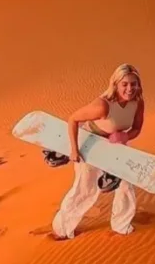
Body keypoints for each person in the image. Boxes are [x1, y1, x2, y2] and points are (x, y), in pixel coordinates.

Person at [49, 63, 145, 240]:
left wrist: (125, 136)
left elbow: (137, 128)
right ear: (115, 84)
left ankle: (122, 226)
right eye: (125, 84)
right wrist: (74, 150)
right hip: (90, 144)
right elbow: (73, 119)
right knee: (86, 189)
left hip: (116, 146)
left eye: (134, 84)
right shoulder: (102, 106)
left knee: (125, 184)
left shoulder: (138, 103)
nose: (130, 88)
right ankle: (62, 228)